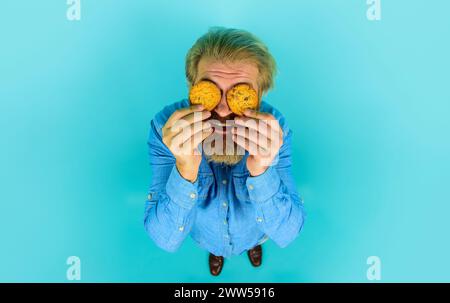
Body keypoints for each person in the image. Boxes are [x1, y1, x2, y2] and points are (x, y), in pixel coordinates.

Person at [144, 27, 306, 276]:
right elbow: (165, 238)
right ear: (192, 86)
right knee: (214, 244)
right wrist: (185, 168)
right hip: (204, 235)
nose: (221, 109)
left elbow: (287, 232)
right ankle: (216, 252)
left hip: (255, 231)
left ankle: (252, 247)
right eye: (210, 89)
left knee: (256, 238)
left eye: (239, 93)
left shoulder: (275, 129)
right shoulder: (165, 127)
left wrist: (261, 169)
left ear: (260, 94)